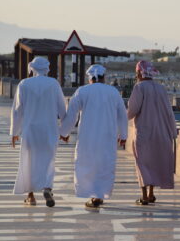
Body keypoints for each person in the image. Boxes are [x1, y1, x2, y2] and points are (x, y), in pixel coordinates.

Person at [60, 64, 128, 208]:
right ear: (104, 77)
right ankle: (99, 195)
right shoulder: (113, 92)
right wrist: (123, 135)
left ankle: (92, 195)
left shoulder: (82, 91)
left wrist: (64, 133)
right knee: (104, 165)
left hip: (87, 137)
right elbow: (122, 115)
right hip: (107, 136)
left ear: (89, 78)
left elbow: (72, 114)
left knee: (87, 164)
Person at [10, 57, 66, 207]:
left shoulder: (24, 84)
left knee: (29, 160)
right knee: (48, 160)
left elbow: (17, 110)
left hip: (30, 130)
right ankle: (47, 187)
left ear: (32, 68)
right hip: (49, 129)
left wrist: (14, 132)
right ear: (47, 69)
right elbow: (62, 109)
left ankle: (31, 196)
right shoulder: (53, 84)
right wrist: (65, 131)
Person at [127, 61, 177, 205]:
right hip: (162, 133)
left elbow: (132, 110)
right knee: (154, 162)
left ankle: (144, 196)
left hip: (144, 133)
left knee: (142, 163)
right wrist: (173, 132)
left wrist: (120, 120)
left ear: (139, 73)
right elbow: (169, 112)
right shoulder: (161, 88)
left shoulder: (139, 88)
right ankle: (151, 193)